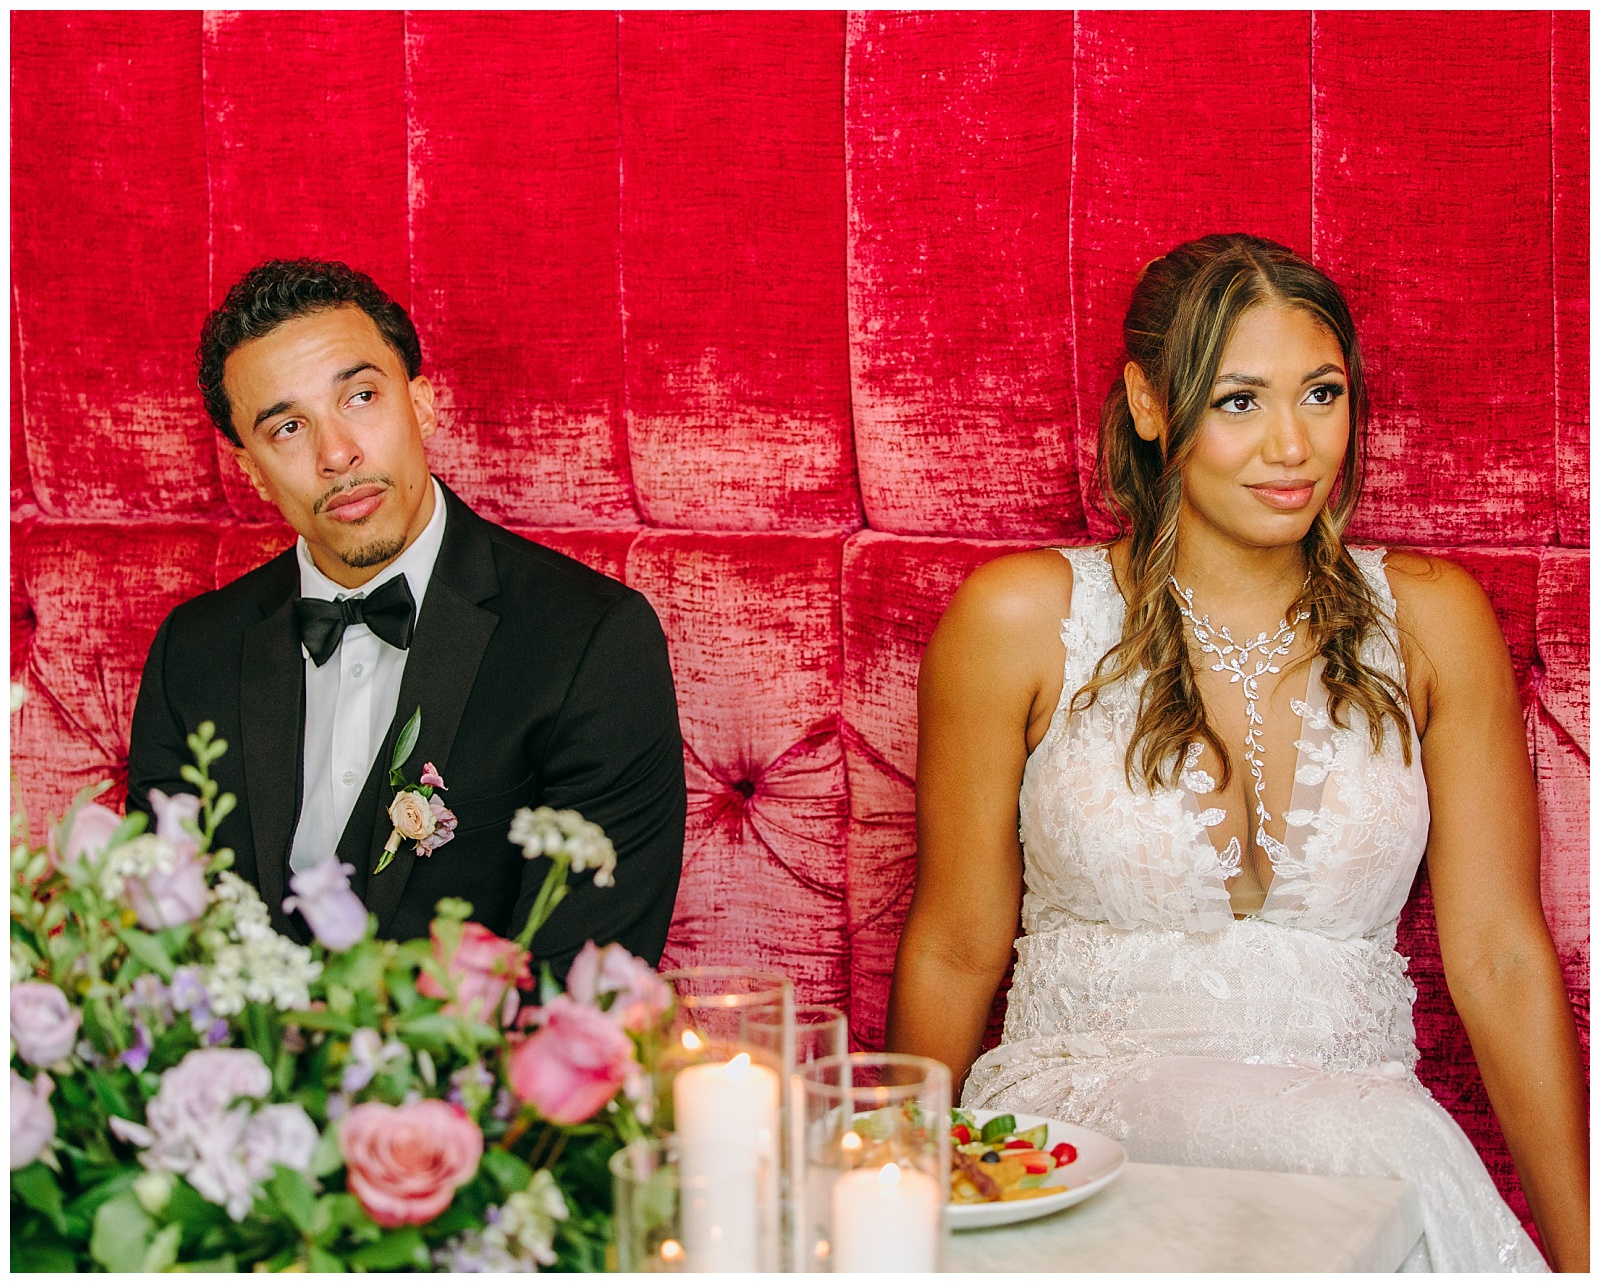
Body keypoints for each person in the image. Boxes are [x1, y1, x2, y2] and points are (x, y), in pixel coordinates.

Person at [886, 235, 1587, 1270]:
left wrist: (1584, 1256)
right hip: (1080, 1151)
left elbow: (1497, 957)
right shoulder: (1020, 617)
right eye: (1237, 400)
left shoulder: (1434, 620)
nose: (1293, 447)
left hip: (1356, 1159)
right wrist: (880, 1214)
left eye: (1320, 393)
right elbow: (952, 944)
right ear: (1149, 401)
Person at [127, 260, 687, 972]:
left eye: (360, 396)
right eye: (289, 427)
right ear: (251, 470)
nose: (337, 454)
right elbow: (158, 950)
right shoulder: (192, 653)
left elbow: (583, 987)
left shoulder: (591, 642)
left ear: (421, 404)